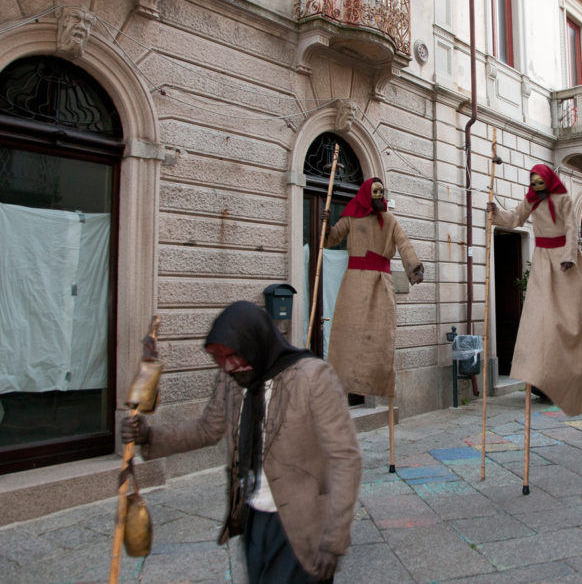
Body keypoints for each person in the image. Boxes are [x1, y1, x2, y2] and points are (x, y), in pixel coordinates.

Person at [122, 301, 362, 583]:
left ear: (255, 344)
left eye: (233, 356)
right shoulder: (232, 380)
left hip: (304, 525)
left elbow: (346, 458)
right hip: (254, 519)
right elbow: (206, 429)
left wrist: (335, 539)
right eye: (219, 359)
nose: (227, 366)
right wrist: (150, 436)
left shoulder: (312, 377)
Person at [487, 164, 582, 416]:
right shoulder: (531, 200)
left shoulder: (563, 199)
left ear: (548, 181)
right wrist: (496, 213)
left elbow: (572, 228)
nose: (537, 189)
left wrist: (570, 255)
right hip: (542, 263)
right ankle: (538, 371)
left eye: (540, 184)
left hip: (564, 261)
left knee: (569, 316)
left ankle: (571, 368)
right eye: (533, 184)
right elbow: (515, 217)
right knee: (539, 317)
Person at [323, 178, 423, 397]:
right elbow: (330, 239)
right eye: (375, 191)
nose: (379, 195)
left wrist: (414, 267)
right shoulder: (351, 216)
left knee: (381, 337)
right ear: (367, 193)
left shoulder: (390, 220)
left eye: (381, 191)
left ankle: (379, 383)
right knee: (349, 333)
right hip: (354, 285)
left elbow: (404, 243)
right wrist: (326, 226)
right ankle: (344, 379)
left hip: (380, 285)